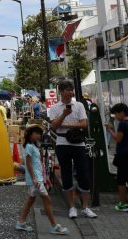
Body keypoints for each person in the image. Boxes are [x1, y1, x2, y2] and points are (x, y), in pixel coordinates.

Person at [47, 80, 97, 219]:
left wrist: (65, 125)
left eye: (71, 90)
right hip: (62, 143)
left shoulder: (79, 105)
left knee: (83, 174)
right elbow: (54, 126)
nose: (71, 92)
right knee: (66, 174)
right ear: (61, 91)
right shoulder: (55, 108)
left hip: (78, 143)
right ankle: (71, 207)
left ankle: (86, 207)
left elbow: (83, 124)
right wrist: (64, 115)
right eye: (68, 90)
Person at [15, 125, 68, 234]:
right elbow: (28, 164)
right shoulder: (29, 147)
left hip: (36, 179)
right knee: (47, 200)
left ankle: (21, 222)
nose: (39, 135)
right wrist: (34, 178)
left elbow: (37, 162)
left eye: (40, 133)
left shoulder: (33, 146)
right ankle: (54, 226)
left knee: (31, 200)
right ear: (30, 134)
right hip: (36, 180)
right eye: (37, 133)